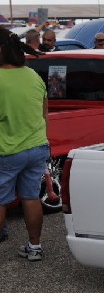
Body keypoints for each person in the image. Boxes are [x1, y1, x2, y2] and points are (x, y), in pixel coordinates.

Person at [0, 27, 49, 260]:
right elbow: (44, 115)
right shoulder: (33, 75)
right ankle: (35, 247)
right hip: (37, 147)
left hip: (7, 150)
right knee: (31, 197)